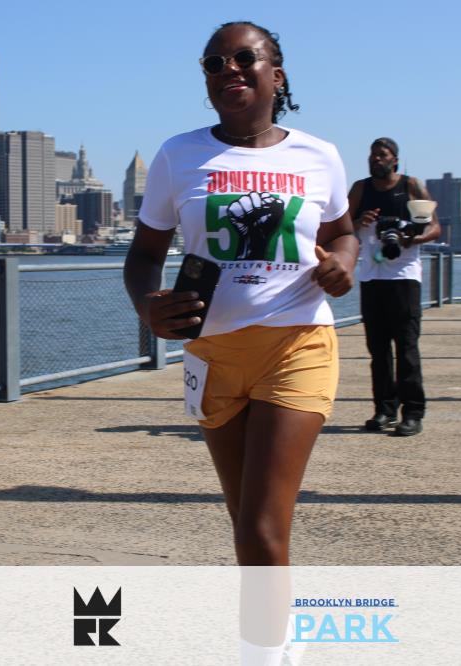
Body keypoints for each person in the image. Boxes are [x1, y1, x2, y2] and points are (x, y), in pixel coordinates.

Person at [125, 22, 356, 567]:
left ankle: (264, 625)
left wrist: (343, 263)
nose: (229, 68)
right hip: (212, 354)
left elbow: (343, 234)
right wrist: (147, 306)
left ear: (277, 75)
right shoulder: (178, 155)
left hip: (296, 344)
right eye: (214, 63)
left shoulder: (319, 155)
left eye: (244, 58)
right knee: (246, 523)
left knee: (261, 528)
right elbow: (144, 256)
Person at [349, 138, 442, 437]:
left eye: (382, 155)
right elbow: (342, 227)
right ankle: (384, 410)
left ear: (395, 160)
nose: (376, 159)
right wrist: (358, 221)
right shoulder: (360, 189)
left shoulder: (411, 186)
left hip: (404, 278)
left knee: (406, 348)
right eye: (372, 155)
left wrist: (413, 239)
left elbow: (435, 227)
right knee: (378, 351)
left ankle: (413, 413)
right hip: (371, 278)